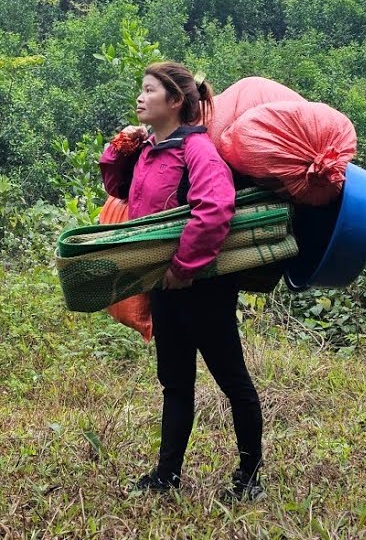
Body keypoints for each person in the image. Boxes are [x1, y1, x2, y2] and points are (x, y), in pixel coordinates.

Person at [99, 62, 265, 502]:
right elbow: (120, 189)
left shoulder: (197, 151)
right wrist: (120, 148)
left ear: (175, 101)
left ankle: (249, 477)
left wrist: (183, 268)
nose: (140, 97)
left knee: (232, 381)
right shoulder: (152, 148)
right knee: (175, 382)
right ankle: (166, 475)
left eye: (149, 90)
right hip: (164, 286)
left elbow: (215, 208)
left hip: (202, 287)